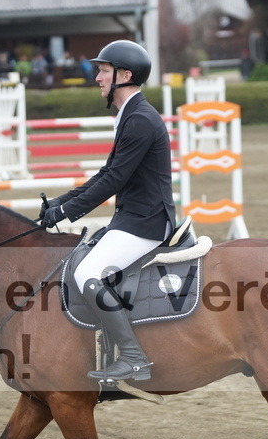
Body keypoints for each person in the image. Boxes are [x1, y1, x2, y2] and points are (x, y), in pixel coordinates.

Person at [39, 40, 175, 382]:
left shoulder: (141, 119)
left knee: (88, 274)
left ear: (125, 75)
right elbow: (105, 173)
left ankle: (133, 358)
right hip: (132, 218)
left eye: (103, 71)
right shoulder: (129, 115)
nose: (97, 77)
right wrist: (60, 202)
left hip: (146, 222)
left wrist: (66, 213)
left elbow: (114, 180)